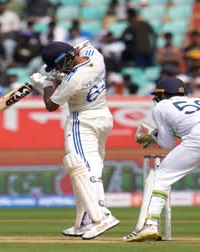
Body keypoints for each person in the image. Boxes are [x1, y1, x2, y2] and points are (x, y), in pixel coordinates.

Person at [125, 77, 200, 242]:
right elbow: (189, 127)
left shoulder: (161, 106)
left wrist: (153, 135)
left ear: (163, 95)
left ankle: (150, 225)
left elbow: (167, 144)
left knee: (160, 177)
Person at [30, 41, 119, 240]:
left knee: (82, 169)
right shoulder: (95, 56)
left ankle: (102, 215)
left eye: (59, 65)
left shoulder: (73, 80)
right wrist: (54, 69)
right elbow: (80, 47)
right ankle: (85, 222)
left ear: (66, 59)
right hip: (103, 116)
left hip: (83, 121)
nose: (59, 70)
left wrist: (44, 84)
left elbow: (51, 105)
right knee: (91, 168)